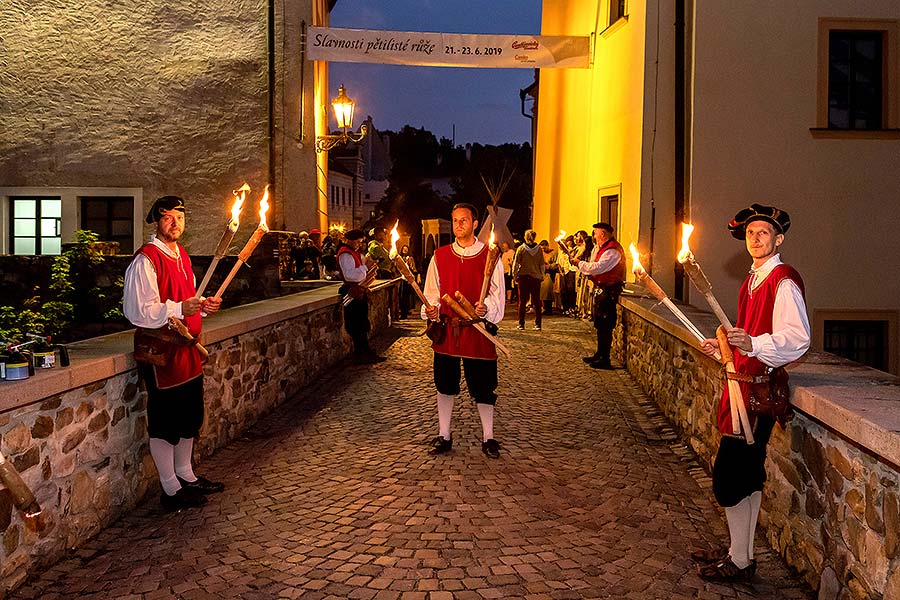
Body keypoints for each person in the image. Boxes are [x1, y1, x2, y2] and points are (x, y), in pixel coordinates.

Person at [694, 203, 809, 582]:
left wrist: (755, 345)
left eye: (763, 233)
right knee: (747, 477)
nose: (755, 238)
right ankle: (739, 554)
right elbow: (748, 332)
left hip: (757, 395)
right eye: (750, 233)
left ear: (779, 239)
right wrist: (725, 345)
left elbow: (796, 339)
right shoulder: (752, 279)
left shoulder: (783, 279)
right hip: (740, 387)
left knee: (729, 480)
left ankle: (740, 560)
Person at [123, 196, 224, 512]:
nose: (175, 223)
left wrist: (201, 307)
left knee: (188, 418)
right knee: (166, 422)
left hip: (188, 350)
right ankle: (170, 489)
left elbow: (186, 301)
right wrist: (181, 307)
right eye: (167, 217)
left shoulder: (182, 255)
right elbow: (139, 312)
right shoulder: (146, 260)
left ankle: (187, 475)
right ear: (157, 221)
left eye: (179, 216)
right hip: (162, 353)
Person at [421, 203, 505, 458]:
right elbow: (432, 293)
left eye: (464, 220)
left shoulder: (490, 256)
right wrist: (432, 310)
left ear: (475, 224)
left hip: (476, 330)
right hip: (448, 329)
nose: (459, 224)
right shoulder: (440, 255)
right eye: (455, 220)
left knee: (483, 386)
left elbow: (497, 294)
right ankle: (444, 435)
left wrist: (486, 308)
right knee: (444, 384)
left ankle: (488, 437)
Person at [571, 223, 625, 369]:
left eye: (596, 233)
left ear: (603, 234)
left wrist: (579, 263)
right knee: (600, 324)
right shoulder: (602, 248)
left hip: (610, 291)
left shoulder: (612, 250)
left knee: (606, 325)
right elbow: (594, 264)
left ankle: (605, 358)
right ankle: (600, 354)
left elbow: (599, 267)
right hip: (603, 290)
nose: (594, 236)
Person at [337, 229, 386, 364]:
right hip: (352, 292)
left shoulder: (353, 253)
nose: (360, 244)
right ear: (351, 240)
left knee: (362, 323)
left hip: (358, 291)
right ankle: (360, 353)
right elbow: (351, 275)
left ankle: (365, 351)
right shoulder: (345, 254)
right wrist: (365, 268)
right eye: (358, 242)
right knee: (356, 324)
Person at [511, 230, 544, 331]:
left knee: (522, 301)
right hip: (535, 277)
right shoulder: (539, 249)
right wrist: (542, 275)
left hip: (524, 276)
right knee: (536, 301)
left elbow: (516, 263)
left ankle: (521, 324)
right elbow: (541, 264)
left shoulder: (521, 249)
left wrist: (514, 275)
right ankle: (538, 324)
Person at [398, 244, 418, 319]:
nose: (405, 251)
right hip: (401, 279)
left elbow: (413, 268)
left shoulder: (410, 258)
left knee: (406, 296)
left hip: (407, 280)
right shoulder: (399, 258)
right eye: (404, 249)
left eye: (406, 250)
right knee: (401, 296)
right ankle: (402, 311)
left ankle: (405, 312)